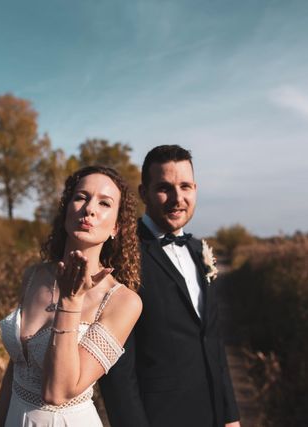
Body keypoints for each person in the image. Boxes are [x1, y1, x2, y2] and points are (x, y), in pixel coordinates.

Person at [99, 145, 241, 427]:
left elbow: (212, 340)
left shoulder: (199, 250)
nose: (178, 199)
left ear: (195, 189)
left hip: (212, 414)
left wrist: (230, 415)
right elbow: (117, 366)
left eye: (185, 186)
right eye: (165, 188)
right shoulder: (123, 253)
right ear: (144, 193)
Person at [0, 165, 142, 427]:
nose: (89, 209)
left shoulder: (123, 301)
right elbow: (15, 366)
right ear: (66, 212)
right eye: (81, 197)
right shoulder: (34, 275)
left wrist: (70, 302)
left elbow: (57, 393)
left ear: (116, 227)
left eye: (104, 203)